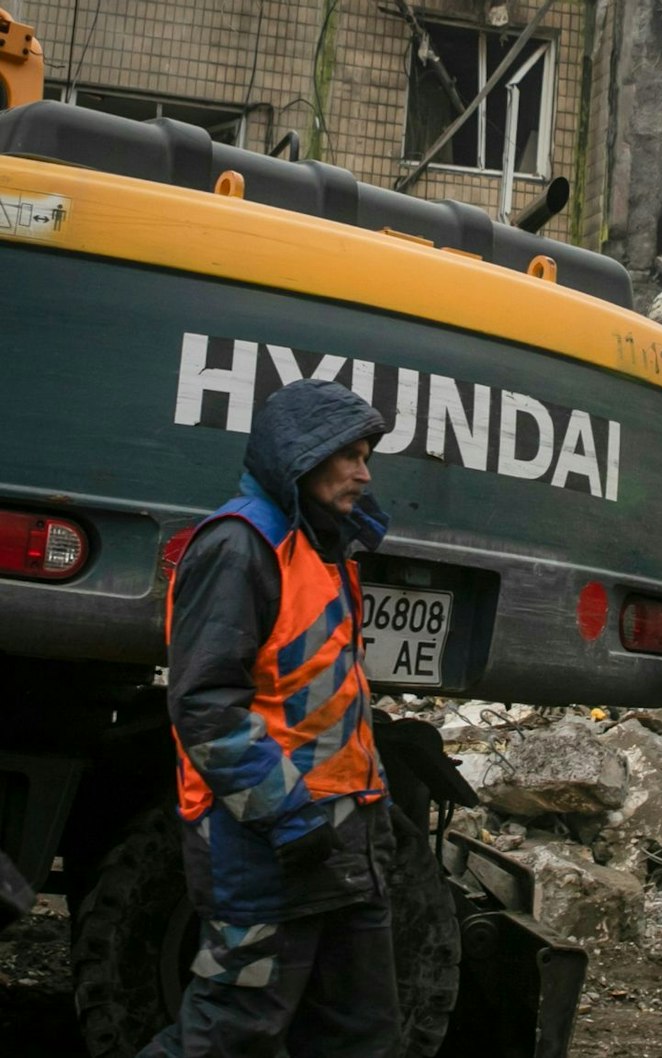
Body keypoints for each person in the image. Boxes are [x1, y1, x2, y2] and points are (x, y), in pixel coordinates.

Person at [142, 379, 398, 1057]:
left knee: (361, 1037)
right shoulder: (239, 546)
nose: (364, 473)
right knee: (229, 1033)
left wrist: (370, 816)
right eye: (350, 456)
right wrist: (288, 815)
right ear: (301, 456)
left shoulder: (322, 550)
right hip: (265, 850)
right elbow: (205, 704)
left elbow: (325, 703)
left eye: (367, 456)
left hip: (341, 845)